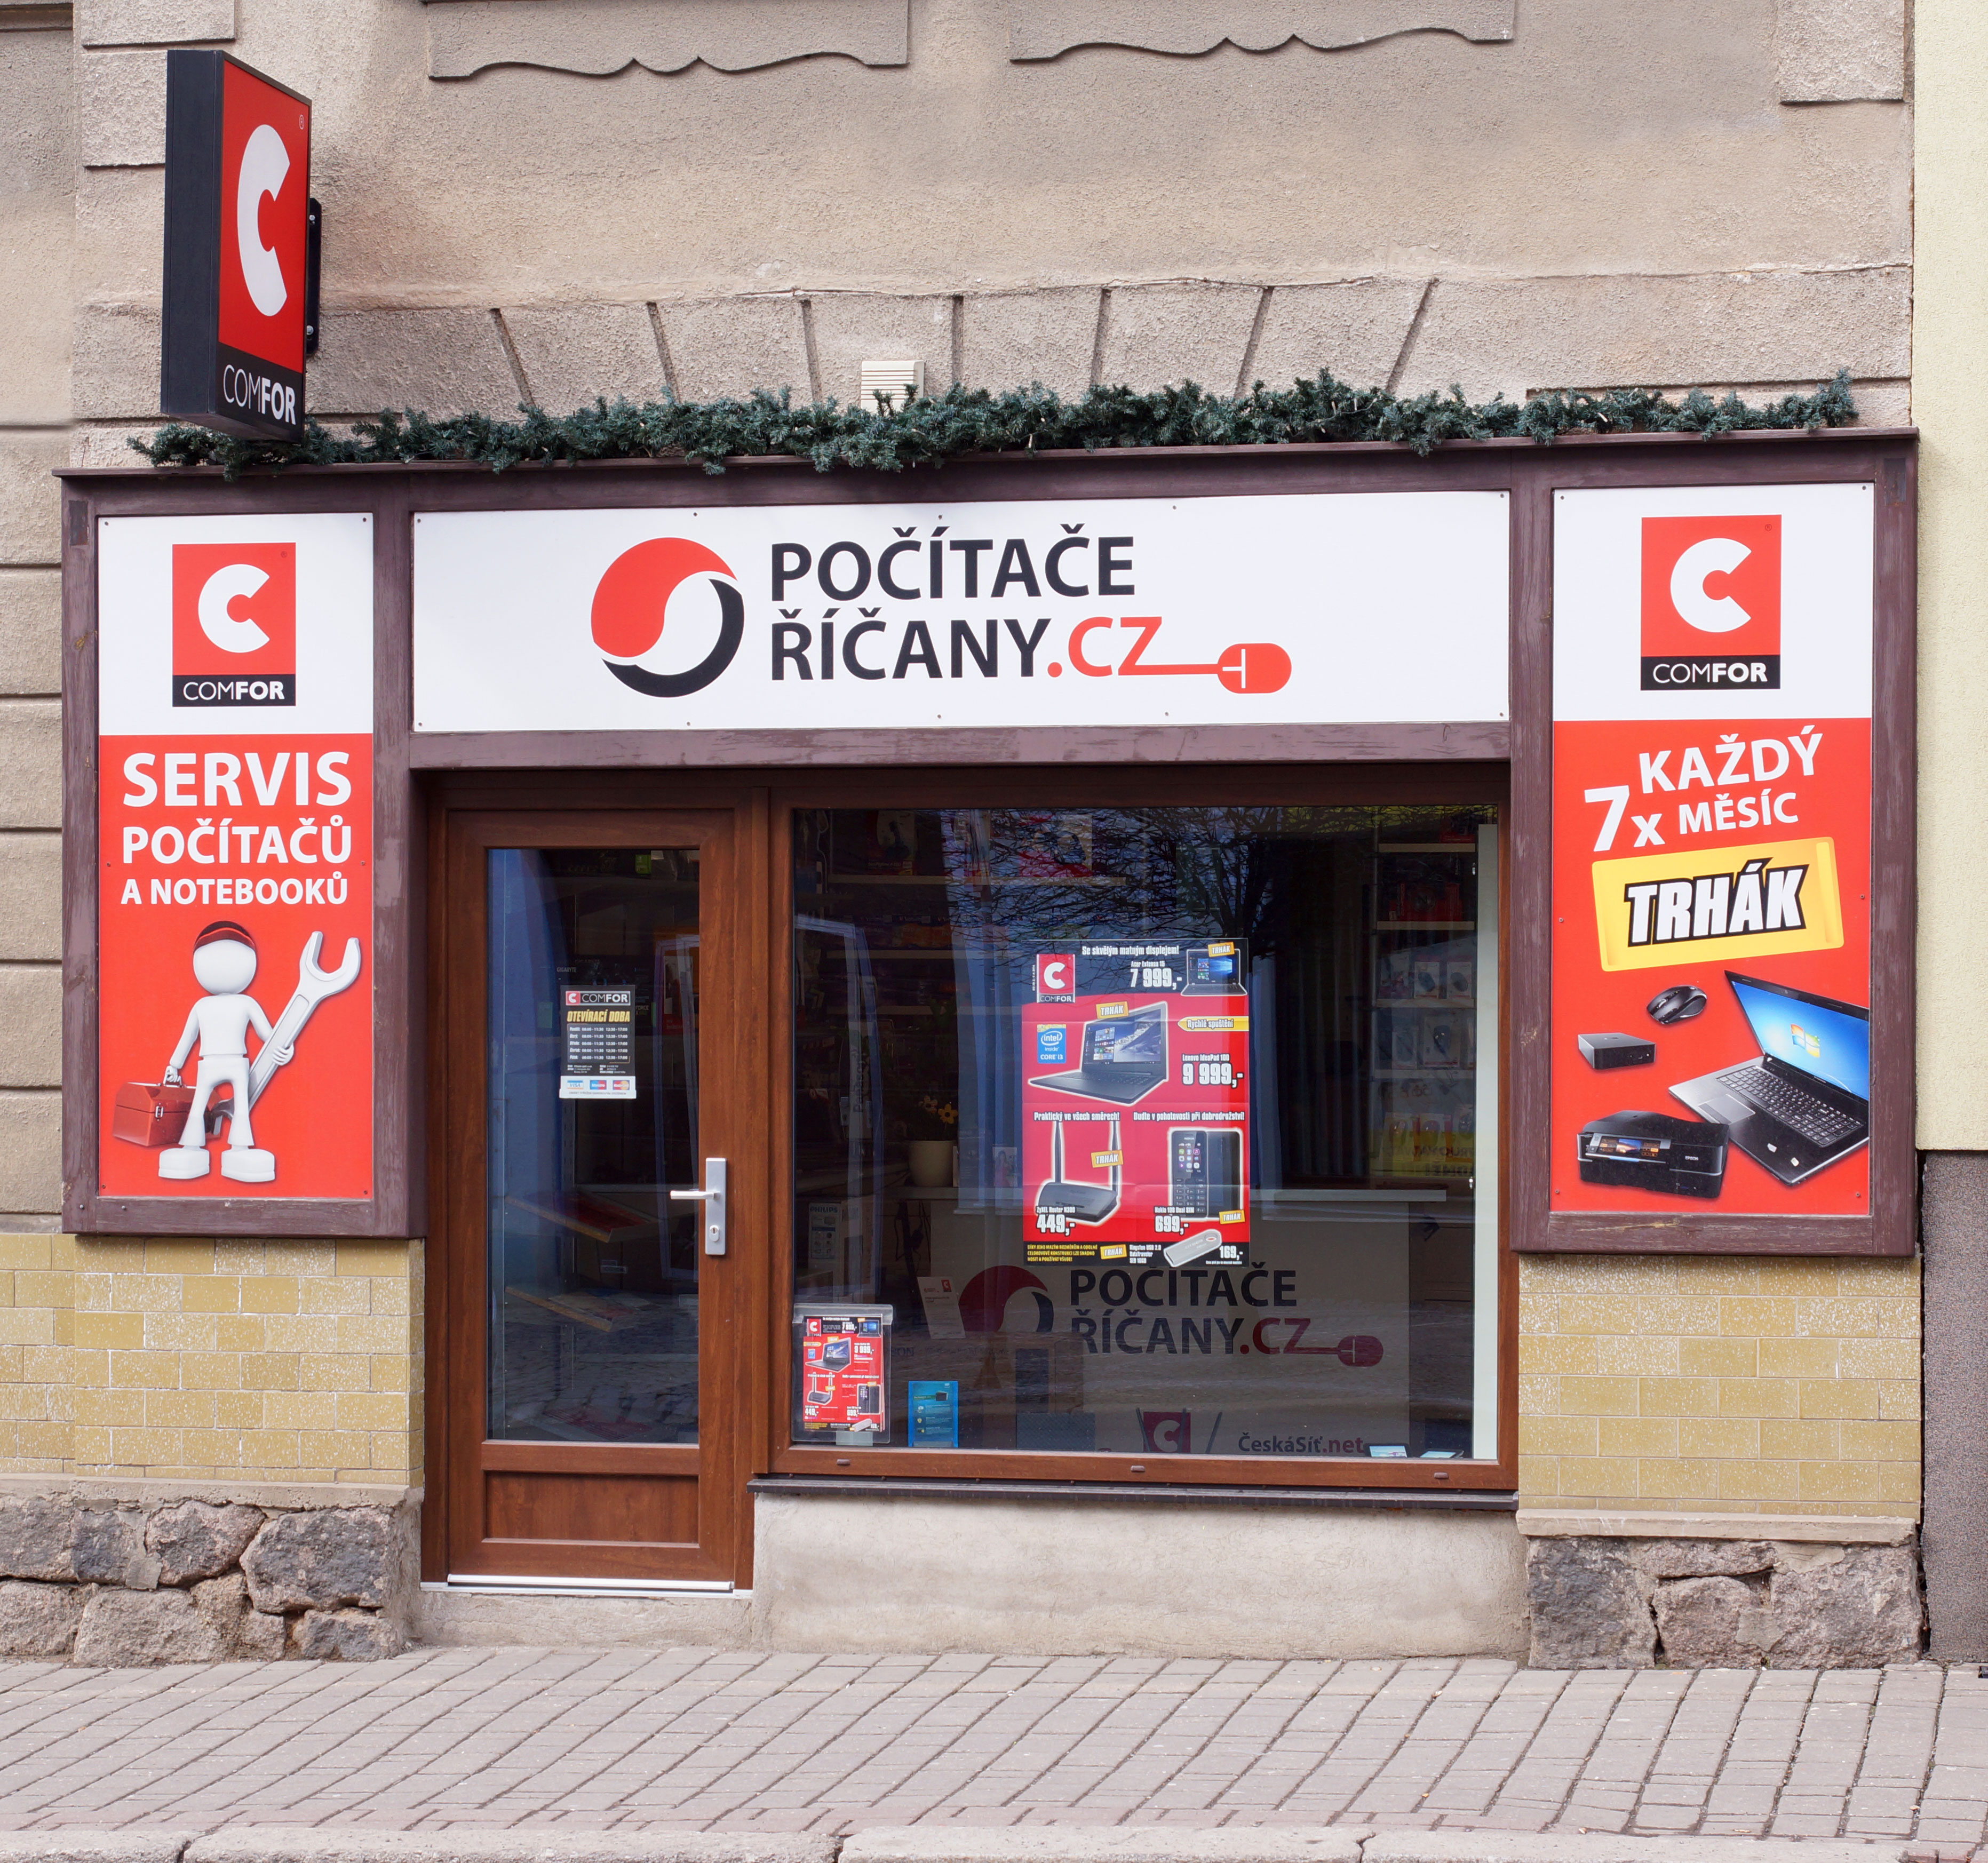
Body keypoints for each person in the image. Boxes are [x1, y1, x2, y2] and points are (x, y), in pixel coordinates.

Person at [157, 921, 290, 1182]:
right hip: (214, 1063)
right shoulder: (206, 1005)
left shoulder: (242, 1003)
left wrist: (285, 1048)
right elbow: (188, 1038)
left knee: (240, 1107)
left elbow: (269, 1036)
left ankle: (238, 1151)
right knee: (201, 1106)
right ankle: (193, 1149)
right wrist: (174, 1065)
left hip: (232, 1063)